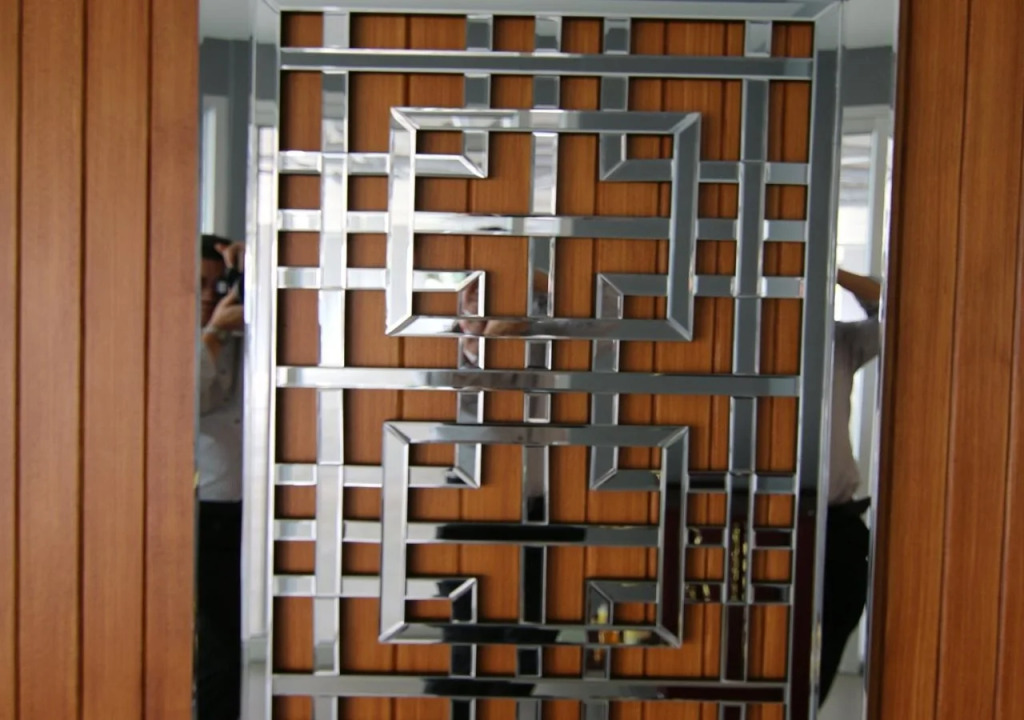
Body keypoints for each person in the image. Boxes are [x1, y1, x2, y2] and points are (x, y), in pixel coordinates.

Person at [819, 268, 881, 705]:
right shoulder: (743, 332)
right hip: (763, 524)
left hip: (837, 526)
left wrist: (832, 270)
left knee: (823, 653)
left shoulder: (839, 340)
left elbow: (895, 311)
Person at [195, 234, 245, 719]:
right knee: (218, 645)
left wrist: (252, 269)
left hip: (257, 509)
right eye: (200, 284)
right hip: (206, 511)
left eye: (218, 283)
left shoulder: (250, 334)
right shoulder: (172, 338)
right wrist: (212, 333)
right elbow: (190, 402)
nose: (210, 294)